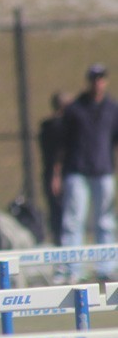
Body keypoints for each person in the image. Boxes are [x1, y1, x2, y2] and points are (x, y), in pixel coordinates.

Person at [52, 63, 118, 284]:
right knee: (74, 220)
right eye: (93, 78)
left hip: (103, 170)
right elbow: (61, 144)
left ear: (105, 81)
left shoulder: (112, 108)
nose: (97, 83)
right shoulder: (75, 109)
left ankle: (106, 267)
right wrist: (57, 173)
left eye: (100, 78)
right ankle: (73, 268)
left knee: (105, 221)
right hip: (77, 170)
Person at [38, 91, 72, 247]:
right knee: (61, 215)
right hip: (57, 175)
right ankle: (63, 250)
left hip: (53, 174)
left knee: (61, 214)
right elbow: (57, 154)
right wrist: (56, 175)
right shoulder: (57, 127)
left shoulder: (47, 126)